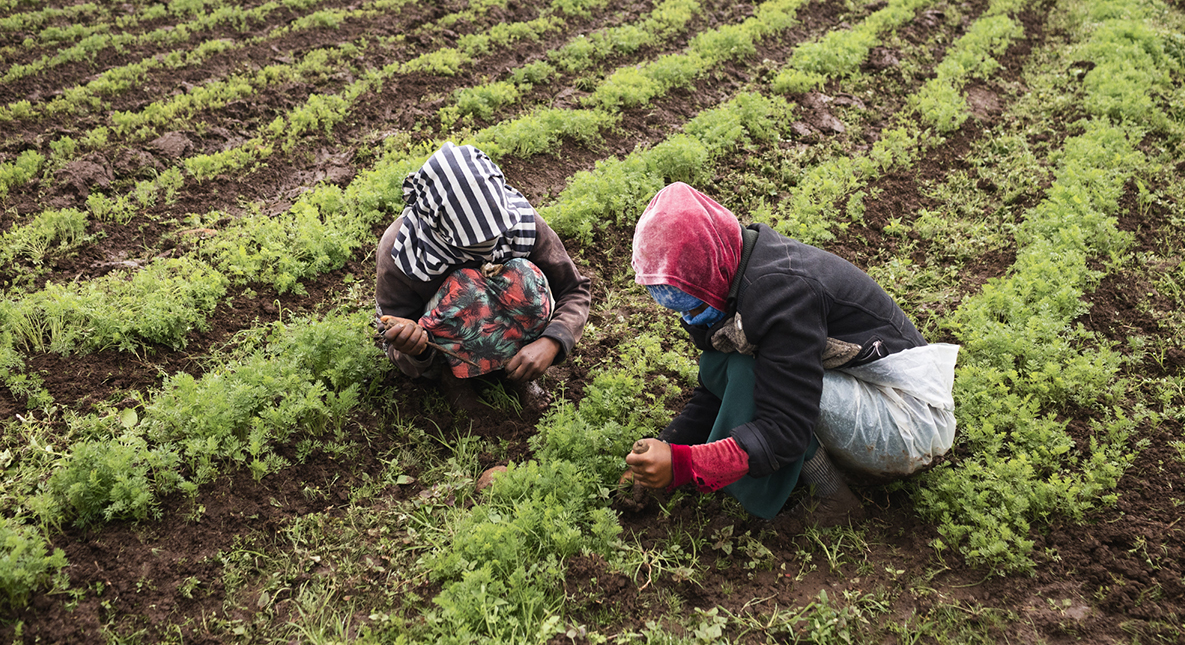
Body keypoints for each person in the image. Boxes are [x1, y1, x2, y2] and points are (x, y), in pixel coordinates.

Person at [623, 183, 958, 525]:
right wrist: (663, 449)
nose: (691, 318)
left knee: (752, 372)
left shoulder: (782, 294)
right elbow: (714, 388)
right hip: (861, 393)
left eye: (694, 305)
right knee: (721, 362)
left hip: (906, 423)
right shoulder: (732, 266)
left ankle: (834, 497)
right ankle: (815, 467)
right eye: (680, 310)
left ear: (711, 271)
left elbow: (785, 427)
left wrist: (685, 465)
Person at [376, 143, 591, 415]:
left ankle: (518, 369)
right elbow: (391, 336)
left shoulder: (519, 220)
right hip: (445, 348)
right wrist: (413, 346)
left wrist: (552, 342)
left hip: (513, 331)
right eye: (474, 242)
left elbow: (573, 289)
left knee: (522, 276)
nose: (489, 246)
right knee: (465, 286)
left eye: (495, 235)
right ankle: (453, 381)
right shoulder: (404, 249)